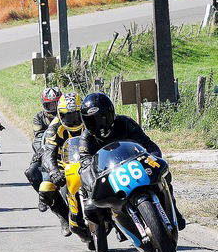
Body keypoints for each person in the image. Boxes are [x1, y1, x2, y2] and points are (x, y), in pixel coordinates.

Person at [78, 92, 186, 231]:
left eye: (103, 118)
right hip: (107, 175)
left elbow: (148, 144)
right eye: (93, 121)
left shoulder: (125, 123)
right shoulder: (85, 138)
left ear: (111, 113)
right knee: (91, 206)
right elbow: (85, 164)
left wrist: (154, 158)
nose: (99, 124)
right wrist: (94, 185)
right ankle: (109, 223)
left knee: (164, 175)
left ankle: (173, 211)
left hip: (133, 165)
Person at [40, 92, 84, 237]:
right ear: (60, 114)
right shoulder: (54, 127)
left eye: (75, 114)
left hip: (88, 161)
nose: (72, 119)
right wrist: (54, 172)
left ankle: (118, 219)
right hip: (63, 166)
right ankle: (65, 218)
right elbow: (47, 153)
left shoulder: (88, 121)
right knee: (45, 189)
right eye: (67, 115)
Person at [24, 87, 62, 212]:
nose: (53, 107)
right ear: (44, 104)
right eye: (50, 105)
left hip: (65, 149)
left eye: (56, 103)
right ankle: (42, 196)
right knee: (31, 171)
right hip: (46, 150)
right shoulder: (38, 117)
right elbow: (38, 137)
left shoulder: (66, 114)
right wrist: (40, 150)